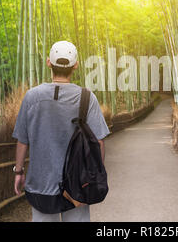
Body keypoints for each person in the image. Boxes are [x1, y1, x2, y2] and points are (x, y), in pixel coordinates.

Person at [12, 41, 110, 222]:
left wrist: (19, 172)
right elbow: (99, 142)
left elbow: (23, 141)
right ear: (76, 65)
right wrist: (95, 175)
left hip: (40, 186)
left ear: (49, 62)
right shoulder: (87, 98)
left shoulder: (32, 97)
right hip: (78, 185)